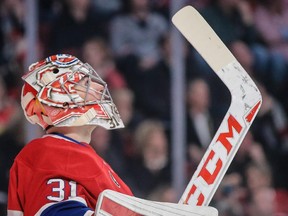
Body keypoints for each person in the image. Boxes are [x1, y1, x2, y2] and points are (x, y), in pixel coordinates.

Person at [7, 54, 133, 215]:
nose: (98, 88)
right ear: (58, 99)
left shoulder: (72, 152)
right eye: (85, 84)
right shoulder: (53, 152)